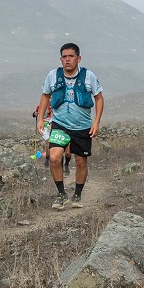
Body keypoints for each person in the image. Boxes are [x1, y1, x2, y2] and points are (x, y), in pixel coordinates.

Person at [36, 42, 103, 210]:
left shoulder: (89, 76)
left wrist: (96, 122)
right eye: (64, 57)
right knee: (54, 157)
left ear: (78, 58)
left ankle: (77, 195)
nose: (67, 60)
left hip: (82, 126)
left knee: (80, 161)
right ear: (60, 59)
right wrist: (40, 119)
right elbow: (45, 95)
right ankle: (61, 194)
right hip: (60, 124)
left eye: (71, 56)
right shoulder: (53, 75)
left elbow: (99, 98)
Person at [32, 105, 71, 173]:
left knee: (66, 151)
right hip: (45, 126)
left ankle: (66, 164)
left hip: (55, 126)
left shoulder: (55, 105)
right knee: (48, 141)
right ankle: (47, 159)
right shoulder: (40, 106)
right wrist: (36, 114)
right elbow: (34, 114)